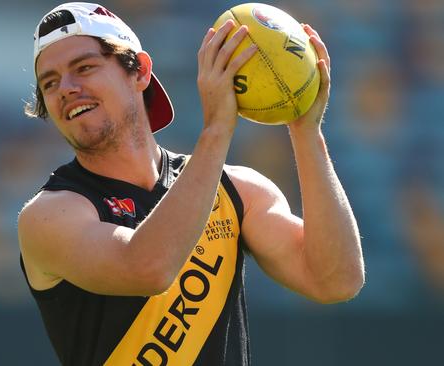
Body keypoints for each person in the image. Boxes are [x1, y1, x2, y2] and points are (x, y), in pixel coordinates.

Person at [18, 2, 365, 365]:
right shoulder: (48, 215)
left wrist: (306, 132)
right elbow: (149, 267)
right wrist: (216, 130)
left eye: (84, 67)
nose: (67, 89)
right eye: (50, 83)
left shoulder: (235, 189)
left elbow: (337, 280)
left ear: (140, 72)